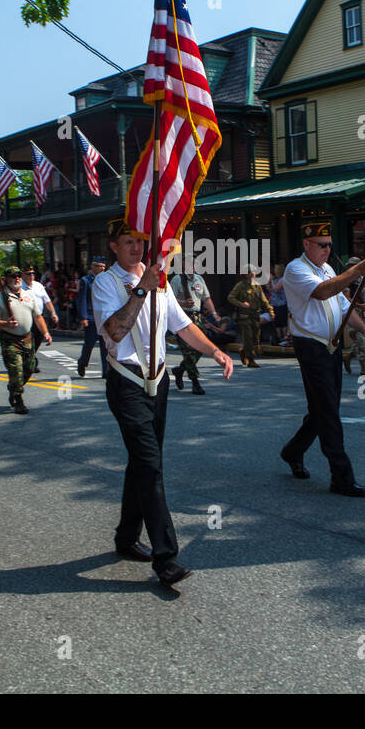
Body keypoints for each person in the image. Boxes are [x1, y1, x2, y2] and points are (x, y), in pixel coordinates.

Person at [95, 218, 234, 588]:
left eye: (140, 242)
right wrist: (141, 289)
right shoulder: (105, 283)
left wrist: (216, 350)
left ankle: (126, 537)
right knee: (150, 466)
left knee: (144, 462)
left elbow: (182, 324)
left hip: (157, 381)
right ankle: (166, 559)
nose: (136, 249)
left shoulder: (158, 279)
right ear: (113, 247)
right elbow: (114, 330)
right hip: (126, 380)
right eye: (127, 242)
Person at [280, 222, 365, 496]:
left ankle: (292, 451)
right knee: (328, 411)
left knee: (323, 408)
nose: (327, 249)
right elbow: (323, 292)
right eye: (321, 245)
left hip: (332, 347)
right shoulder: (296, 269)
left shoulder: (327, 269)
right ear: (306, 244)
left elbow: (344, 305)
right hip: (311, 347)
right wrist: (356, 271)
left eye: (329, 245)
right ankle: (342, 477)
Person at [0, 266, 51, 415]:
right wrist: (5, 324)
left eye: (18, 276)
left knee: (29, 368)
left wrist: (46, 332)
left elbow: (38, 316)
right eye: (12, 276)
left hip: (27, 338)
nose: (16, 278)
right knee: (16, 370)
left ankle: (14, 389)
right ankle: (18, 399)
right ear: (6, 279)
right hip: (10, 340)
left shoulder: (28, 295)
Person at [170, 267, 218, 394]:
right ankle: (195, 382)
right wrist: (183, 303)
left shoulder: (199, 279)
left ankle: (180, 370)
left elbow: (206, 298)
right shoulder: (177, 279)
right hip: (182, 317)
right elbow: (170, 299)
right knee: (188, 351)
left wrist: (214, 313)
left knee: (201, 346)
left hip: (197, 318)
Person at [341, 256, 365, 378]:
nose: (351, 267)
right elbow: (346, 298)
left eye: (354, 265)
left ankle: (349, 356)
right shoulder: (347, 280)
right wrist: (358, 305)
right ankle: (364, 369)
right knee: (360, 340)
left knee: (364, 341)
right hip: (354, 314)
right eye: (350, 265)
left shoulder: (364, 280)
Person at [228, 267, 271, 368]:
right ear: (246, 274)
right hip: (244, 317)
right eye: (250, 272)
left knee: (256, 338)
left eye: (254, 272)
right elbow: (230, 297)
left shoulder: (257, 285)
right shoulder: (240, 286)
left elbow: (263, 300)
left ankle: (243, 351)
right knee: (248, 338)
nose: (253, 274)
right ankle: (251, 360)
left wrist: (270, 310)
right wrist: (241, 304)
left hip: (255, 316)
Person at [76, 257, 108, 378]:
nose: (102, 269)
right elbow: (82, 299)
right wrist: (83, 317)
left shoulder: (107, 280)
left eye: (104, 267)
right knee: (89, 344)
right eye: (100, 266)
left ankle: (106, 371)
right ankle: (82, 362)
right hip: (91, 317)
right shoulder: (86, 280)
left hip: (104, 317)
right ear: (93, 267)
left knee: (105, 346)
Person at [21, 266, 57, 372]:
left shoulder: (38, 286)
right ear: (23, 275)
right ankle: (31, 363)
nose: (31, 275)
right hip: (26, 318)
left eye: (33, 273)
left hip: (39, 317)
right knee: (28, 342)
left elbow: (47, 301)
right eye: (28, 274)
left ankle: (30, 359)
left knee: (38, 339)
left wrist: (53, 313)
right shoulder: (19, 287)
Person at [268, 264, 289, 345]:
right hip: (275, 303)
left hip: (282, 303)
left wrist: (271, 281)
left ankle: (284, 337)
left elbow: (276, 289)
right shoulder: (275, 280)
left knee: (283, 321)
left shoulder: (283, 279)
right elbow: (271, 290)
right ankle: (279, 338)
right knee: (277, 322)